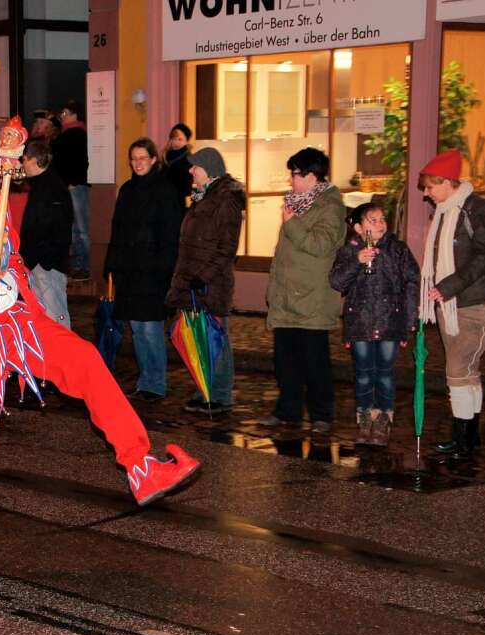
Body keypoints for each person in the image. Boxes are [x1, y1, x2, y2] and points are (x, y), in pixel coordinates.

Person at [0, 67, 200, 576]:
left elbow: (8, 255)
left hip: (13, 323)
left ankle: (141, 465)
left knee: (82, 358)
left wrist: (13, 284)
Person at [418, 150, 485, 457]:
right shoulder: (443, 211)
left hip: (476, 301)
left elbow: (484, 254)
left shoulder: (478, 211)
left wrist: (448, 287)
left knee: (457, 370)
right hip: (451, 303)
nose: (426, 193)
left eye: (430, 187)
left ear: (447, 182)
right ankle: (470, 437)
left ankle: (462, 440)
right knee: (467, 371)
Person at [262, 147, 346, 434]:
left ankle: (322, 414)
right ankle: (289, 410)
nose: (291, 180)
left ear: (311, 176)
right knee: (285, 359)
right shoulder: (297, 203)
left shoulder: (331, 207)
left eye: (295, 174)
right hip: (288, 295)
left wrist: (292, 224)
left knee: (314, 360)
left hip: (313, 297)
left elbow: (321, 246)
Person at [329, 202, 419, 446]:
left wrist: (410, 320)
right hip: (359, 322)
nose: (380, 224)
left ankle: (384, 419)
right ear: (358, 227)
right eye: (373, 220)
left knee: (385, 374)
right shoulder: (349, 250)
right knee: (364, 374)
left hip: (390, 321)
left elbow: (412, 282)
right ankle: (365, 418)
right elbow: (337, 282)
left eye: (382, 219)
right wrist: (357, 260)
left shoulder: (397, 249)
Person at [104, 138, 183, 402]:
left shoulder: (166, 191)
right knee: (137, 328)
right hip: (129, 271)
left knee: (151, 328)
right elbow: (117, 229)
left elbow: (171, 235)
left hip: (153, 272)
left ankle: (156, 383)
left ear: (152, 160)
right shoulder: (127, 190)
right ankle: (145, 380)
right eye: (134, 158)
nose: (138, 163)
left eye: (142, 158)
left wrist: (165, 269)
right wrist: (111, 265)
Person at [166, 147, 244, 414]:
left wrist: (203, 277)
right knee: (198, 339)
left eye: (195, 166)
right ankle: (204, 390)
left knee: (217, 339)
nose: (191, 171)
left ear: (208, 169)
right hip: (193, 283)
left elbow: (227, 248)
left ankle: (220, 394)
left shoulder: (226, 200)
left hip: (212, 284)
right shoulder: (202, 197)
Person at [19, 138, 73, 328]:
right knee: (45, 318)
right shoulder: (43, 185)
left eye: (24, 159)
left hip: (47, 265)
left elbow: (56, 228)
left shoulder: (52, 188)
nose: (22, 164)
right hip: (40, 263)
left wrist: (43, 261)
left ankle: (64, 356)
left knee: (55, 318)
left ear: (34, 160)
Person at [51, 100, 90, 280]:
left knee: (80, 228)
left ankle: (84, 265)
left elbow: (78, 161)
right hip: (69, 185)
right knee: (74, 228)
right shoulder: (68, 134)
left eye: (65, 113)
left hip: (74, 185)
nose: (62, 117)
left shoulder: (76, 134)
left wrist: (72, 181)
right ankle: (77, 264)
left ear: (75, 114)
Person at [159, 123, 193, 206]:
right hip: (162, 199)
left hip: (177, 201)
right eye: (173, 139)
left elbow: (187, 187)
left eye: (180, 139)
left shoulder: (188, 159)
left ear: (186, 141)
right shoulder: (166, 156)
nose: (176, 142)